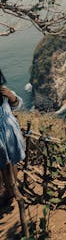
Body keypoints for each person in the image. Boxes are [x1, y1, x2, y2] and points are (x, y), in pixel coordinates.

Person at [0, 68, 25, 204]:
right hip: (3, 135)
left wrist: (11, 96)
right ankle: (5, 191)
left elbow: (16, 105)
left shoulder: (3, 92)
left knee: (12, 162)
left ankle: (11, 190)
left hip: (10, 134)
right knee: (2, 166)